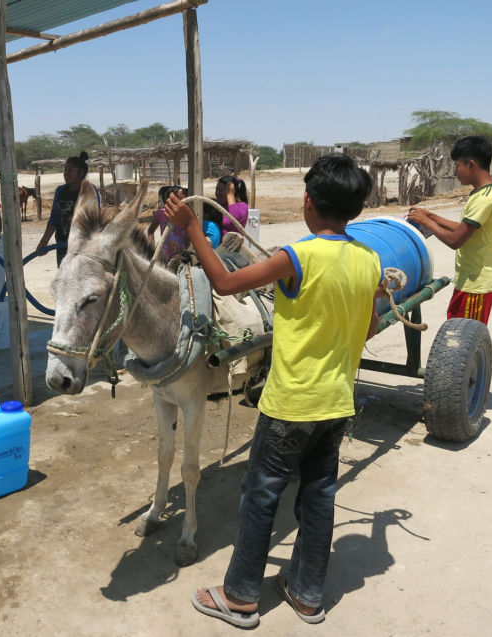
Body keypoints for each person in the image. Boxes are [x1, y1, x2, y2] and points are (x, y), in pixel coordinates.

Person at [165, 153, 382, 628]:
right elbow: (368, 328)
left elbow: (224, 283)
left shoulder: (296, 256)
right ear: (355, 208)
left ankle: (240, 596)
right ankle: (306, 593)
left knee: (261, 494)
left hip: (291, 405)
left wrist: (192, 227)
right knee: (319, 496)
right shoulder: (370, 260)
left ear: (308, 202)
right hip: (337, 403)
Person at [406, 136, 492, 324]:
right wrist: (432, 216)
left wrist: (427, 223)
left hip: (476, 284)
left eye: (457, 165)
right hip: (470, 280)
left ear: (471, 165)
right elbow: (464, 229)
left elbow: (455, 240)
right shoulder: (485, 193)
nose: (455, 172)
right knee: (456, 327)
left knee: (462, 335)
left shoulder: (485, 198)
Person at [36, 151, 99, 266]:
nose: (66, 173)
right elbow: (54, 219)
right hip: (63, 246)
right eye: (65, 170)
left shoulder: (90, 191)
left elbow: (95, 219)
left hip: (85, 248)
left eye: (70, 170)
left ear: (81, 173)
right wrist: (44, 241)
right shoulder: (60, 191)